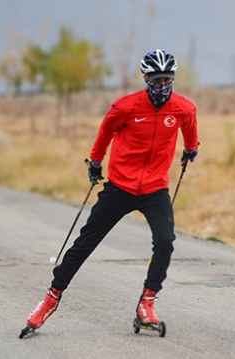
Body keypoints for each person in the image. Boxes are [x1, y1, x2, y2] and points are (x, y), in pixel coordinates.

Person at [23, 49, 199, 335]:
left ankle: (147, 304)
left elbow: (190, 131)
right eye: (156, 79)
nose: (162, 85)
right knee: (84, 244)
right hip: (120, 186)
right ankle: (50, 299)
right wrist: (95, 163)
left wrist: (191, 150)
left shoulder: (183, 108)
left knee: (165, 240)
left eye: (167, 79)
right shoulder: (125, 106)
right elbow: (105, 133)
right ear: (145, 77)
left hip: (155, 188)